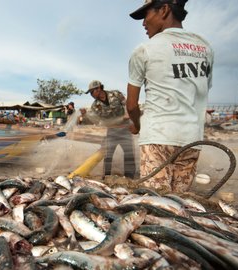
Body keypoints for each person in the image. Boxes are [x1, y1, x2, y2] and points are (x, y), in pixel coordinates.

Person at [127, 0, 214, 192]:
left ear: (164, 10)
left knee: (157, 206)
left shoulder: (145, 50)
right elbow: (201, 90)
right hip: (191, 139)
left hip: (157, 138)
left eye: (146, 15)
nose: (143, 23)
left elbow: (132, 105)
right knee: (179, 203)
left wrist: (137, 125)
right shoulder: (205, 48)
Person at [86, 80, 136, 179]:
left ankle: (129, 177)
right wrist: (85, 115)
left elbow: (127, 104)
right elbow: (98, 121)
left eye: (92, 92)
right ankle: (107, 176)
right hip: (112, 131)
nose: (91, 94)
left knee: (128, 153)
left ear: (99, 88)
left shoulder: (116, 94)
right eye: (90, 93)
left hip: (125, 129)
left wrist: (128, 114)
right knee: (108, 154)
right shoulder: (95, 106)